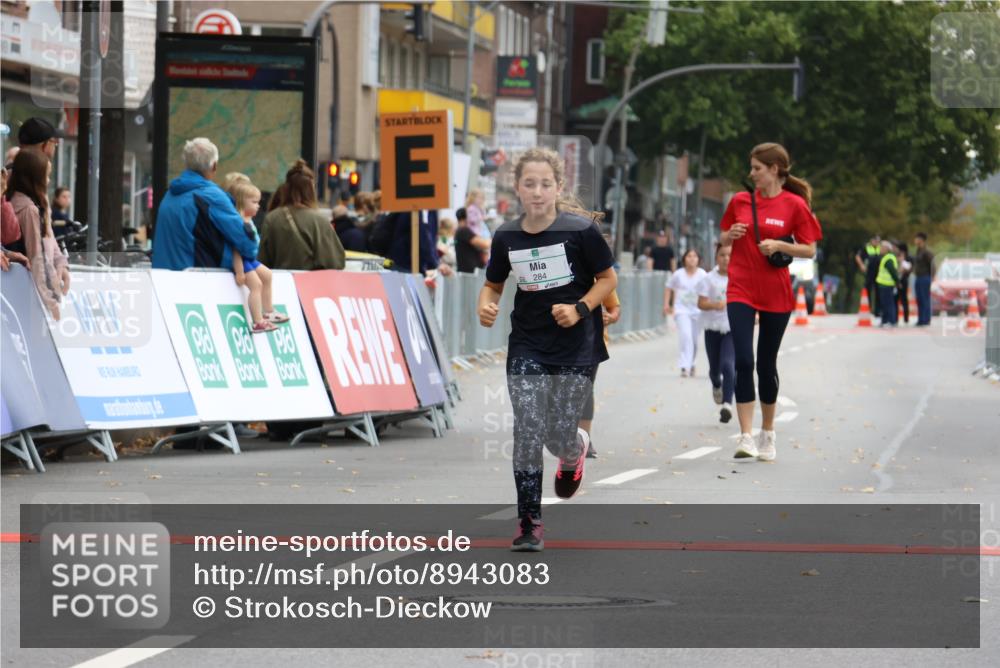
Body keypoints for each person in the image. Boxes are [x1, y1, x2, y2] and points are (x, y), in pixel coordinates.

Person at [478, 147, 617, 552]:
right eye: (529, 183)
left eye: (545, 184)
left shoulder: (580, 231)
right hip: (527, 342)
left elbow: (607, 280)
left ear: (558, 187)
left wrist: (579, 309)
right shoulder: (506, 235)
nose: (537, 192)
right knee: (527, 429)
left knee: (557, 434)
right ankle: (529, 522)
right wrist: (484, 305)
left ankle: (574, 451)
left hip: (577, 346)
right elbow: (494, 283)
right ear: (517, 188)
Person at [719, 142, 822, 462]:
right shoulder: (739, 201)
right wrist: (731, 235)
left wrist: (780, 244)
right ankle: (746, 436)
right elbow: (722, 236)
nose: (752, 174)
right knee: (743, 361)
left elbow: (810, 249)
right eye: (751, 168)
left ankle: (768, 433)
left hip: (776, 291)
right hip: (740, 288)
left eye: (757, 169)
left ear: (774, 169)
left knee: (766, 364)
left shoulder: (794, 205)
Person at [152, 138, 259, 271]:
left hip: (162, 281)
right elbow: (247, 244)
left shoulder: (170, 194)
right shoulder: (212, 197)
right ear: (214, 165)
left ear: (186, 164)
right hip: (199, 283)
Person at [3, 148, 70, 319]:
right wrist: (52, 301)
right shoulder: (29, 209)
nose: (47, 181)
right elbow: (36, 255)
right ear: (34, 177)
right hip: (25, 294)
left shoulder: (13, 200)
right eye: (46, 176)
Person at [258, 159, 346, 271]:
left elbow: (263, 261)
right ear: (310, 189)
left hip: (281, 283)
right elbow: (335, 262)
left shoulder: (272, 218)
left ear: (287, 187)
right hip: (312, 285)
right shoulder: (319, 220)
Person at [229, 180, 288, 334]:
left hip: (250, 259)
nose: (258, 205)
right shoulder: (239, 222)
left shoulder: (249, 220)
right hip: (243, 261)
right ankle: (258, 321)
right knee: (256, 285)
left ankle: (268, 311)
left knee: (267, 275)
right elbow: (236, 248)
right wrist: (240, 271)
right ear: (242, 202)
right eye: (254, 202)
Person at [697, 244, 735, 424]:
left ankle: (727, 404)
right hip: (712, 327)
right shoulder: (709, 279)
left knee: (728, 365)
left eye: (729, 255)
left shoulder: (739, 277)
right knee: (715, 369)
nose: (726, 259)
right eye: (722, 255)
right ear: (716, 257)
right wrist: (714, 305)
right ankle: (717, 385)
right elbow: (701, 303)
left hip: (731, 328)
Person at [663, 248, 707, 377]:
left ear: (698, 259)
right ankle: (684, 366)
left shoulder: (702, 274)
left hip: (698, 311)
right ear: (684, 259)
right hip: (682, 310)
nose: (692, 258)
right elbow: (668, 287)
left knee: (694, 340)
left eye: (694, 256)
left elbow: (710, 289)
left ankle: (692, 363)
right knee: (685, 337)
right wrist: (666, 304)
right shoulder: (678, 274)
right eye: (689, 256)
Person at [454, 207, 490, 274]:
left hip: (467, 272)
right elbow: (485, 244)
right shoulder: (463, 230)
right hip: (470, 273)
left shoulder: (459, 230)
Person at [855, 233, 882, 317]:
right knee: (867, 291)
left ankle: (878, 311)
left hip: (879, 274)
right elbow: (858, 256)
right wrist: (862, 265)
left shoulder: (881, 248)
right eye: (875, 240)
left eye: (878, 241)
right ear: (871, 240)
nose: (877, 242)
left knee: (878, 292)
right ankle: (867, 309)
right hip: (869, 273)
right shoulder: (866, 247)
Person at [912, 232, 935, 326]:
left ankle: (926, 319)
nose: (915, 240)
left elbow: (933, 265)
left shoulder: (927, 252)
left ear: (921, 240)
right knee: (919, 299)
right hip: (918, 277)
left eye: (917, 239)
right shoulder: (918, 251)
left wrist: (932, 278)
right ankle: (921, 319)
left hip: (925, 277)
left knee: (925, 298)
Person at [875, 240, 899, 328]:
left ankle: (891, 321)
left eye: (882, 247)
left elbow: (893, 272)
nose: (880, 249)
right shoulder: (885, 257)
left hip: (887, 285)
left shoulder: (888, 259)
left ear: (887, 249)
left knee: (888, 304)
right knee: (884, 304)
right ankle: (884, 320)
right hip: (883, 284)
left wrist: (897, 282)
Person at [895, 241, 912, 325]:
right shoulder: (895, 257)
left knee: (904, 300)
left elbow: (907, 269)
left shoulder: (908, 258)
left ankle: (906, 318)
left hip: (904, 281)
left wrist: (902, 262)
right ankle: (895, 318)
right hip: (895, 281)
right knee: (895, 300)